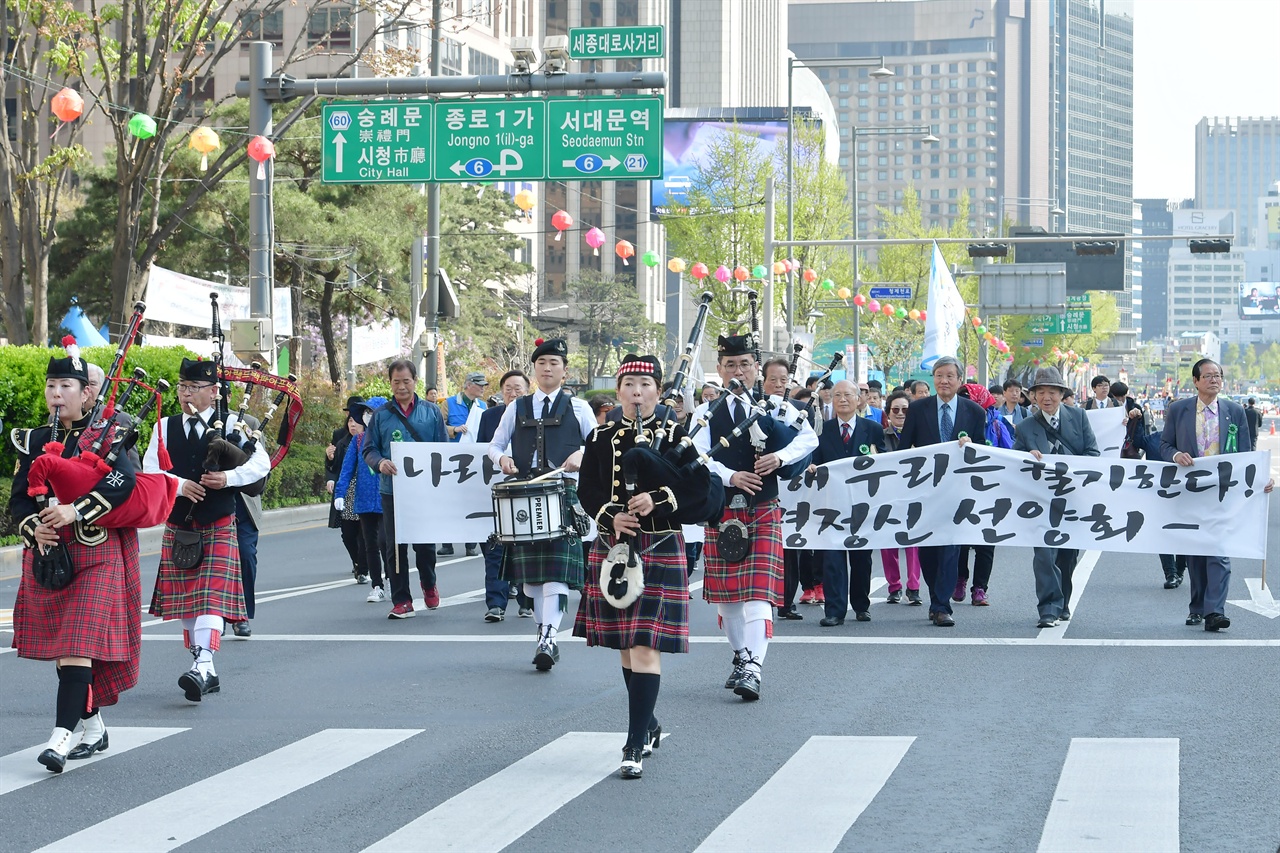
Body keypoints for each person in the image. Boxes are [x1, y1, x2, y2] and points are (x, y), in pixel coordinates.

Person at [10, 345, 145, 771]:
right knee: (65, 650)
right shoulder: (34, 439)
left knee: (76, 645)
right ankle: (94, 726)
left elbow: (124, 482)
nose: (56, 394)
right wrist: (35, 527)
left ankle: (60, 739)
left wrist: (75, 510)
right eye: (51, 385)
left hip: (97, 550)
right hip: (52, 556)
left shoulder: (107, 434)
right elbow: (19, 501)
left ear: (87, 393)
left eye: (65, 386)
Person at [574, 354, 702, 780]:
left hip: (660, 541)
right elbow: (587, 489)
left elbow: (698, 488)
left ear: (659, 392)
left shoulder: (677, 434)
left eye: (645, 385)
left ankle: (633, 745)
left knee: (644, 644)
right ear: (618, 393)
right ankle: (647, 723)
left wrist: (658, 499)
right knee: (628, 647)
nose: (636, 392)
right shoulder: (600, 435)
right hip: (615, 546)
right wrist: (611, 516)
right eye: (629, 385)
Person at [693, 335, 817, 700]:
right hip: (722, 509)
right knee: (729, 601)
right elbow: (698, 456)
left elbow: (807, 439)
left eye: (745, 364)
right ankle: (741, 655)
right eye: (730, 365)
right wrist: (731, 476)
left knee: (759, 595)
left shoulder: (776, 406)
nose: (738, 371)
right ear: (719, 370)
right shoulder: (706, 412)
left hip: (762, 508)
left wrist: (780, 458)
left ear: (756, 371)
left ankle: (754, 668)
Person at [143, 358, 270, 701]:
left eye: (192, 388)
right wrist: (180, 485)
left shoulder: (232, 424)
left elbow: (262, 463)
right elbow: (150, 469)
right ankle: (205, 667)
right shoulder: (164, 427)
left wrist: (228, 478)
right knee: (187, 605)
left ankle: (204, 663)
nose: (185, 394)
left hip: (217, 523)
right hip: (180, 526)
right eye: (182, 387)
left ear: (213, 392)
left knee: (209, 599)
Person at [487, 338, 596, 670]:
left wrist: (582, 453)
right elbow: (494, 446)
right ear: (535, 368)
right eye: (542, 363)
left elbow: (600, 446)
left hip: (563, 493)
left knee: (555, 576)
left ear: (564, 370)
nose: (547, 368)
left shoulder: (579, 408)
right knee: (532, 582)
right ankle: (543, 629)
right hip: (523, 494)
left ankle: (549, 636)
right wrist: (502, 459)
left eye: (554, 363)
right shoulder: (516, 407)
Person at [1161, 359, 1273, 630]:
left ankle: (1215, 611)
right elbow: (1164, 444)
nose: (1214, 380)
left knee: (1219, 550)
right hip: (1190, 491)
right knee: (1196, 552)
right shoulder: (1178, 410)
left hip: (1224, 493)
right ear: (1196, 381)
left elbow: (1246, 454)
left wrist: (1260, 479)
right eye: (1208, 376)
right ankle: (1197, 607)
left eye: (1218, 376)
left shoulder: (1234, 411)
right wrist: (1176, 455)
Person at [897, 356, 986, 627]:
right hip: (925, 491)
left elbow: (982, 452)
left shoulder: (974, 412)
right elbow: (903, 450)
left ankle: (941, 605)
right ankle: (936, 597)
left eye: (949, 376)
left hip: (957, 492)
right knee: (928, 549)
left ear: (960, 380)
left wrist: (971, 446)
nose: (944, 381)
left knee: (950, 546)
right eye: (938, 376)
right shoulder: (918, 409)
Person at [1013, 367, 1100, 628]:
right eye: (1040, 392)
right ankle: (1048, 607)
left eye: (1052, 392)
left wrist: (1071, 468)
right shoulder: (1025, 427)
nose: (1046, 397)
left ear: (1062, 394)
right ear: (1034, 397)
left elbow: (1093, 453)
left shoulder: (1079, 417)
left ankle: (1063, 602)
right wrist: (1027, 456)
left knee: (1067, 556)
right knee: (1044, 555)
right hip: (1040, 501)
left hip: (1072, 499)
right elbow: (1015, 462)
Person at [362, 359, 448, 619]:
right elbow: (369, 449)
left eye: (406, 381)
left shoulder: (431, 412)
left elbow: (442, 448)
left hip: (423, 490)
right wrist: (380, 463)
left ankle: (429, 583)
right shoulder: (381, 415)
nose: (401, 386)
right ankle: (402, 599)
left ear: (415, 382)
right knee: (394, 546)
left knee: (424, 545)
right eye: (396, 382)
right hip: (393, 490)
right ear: (390, 383)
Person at [810, 381, 885, 626]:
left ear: (858, 398)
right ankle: (834, 610)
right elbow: (815, 461)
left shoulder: (872, 429)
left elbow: (885, 463)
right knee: (832, 558)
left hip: (863, 503)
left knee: (862, 558)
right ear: (831, 399)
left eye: (848, 395)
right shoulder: (822, 430)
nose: (843, 399)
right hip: (831, 503)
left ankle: (862, 605)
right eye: (837, 395)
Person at [476, 371, 533, 621]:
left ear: (527, 391)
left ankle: (526, 600)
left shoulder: (534, 414)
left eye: (518, 389)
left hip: (526, 489)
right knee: (495, 548)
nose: (512, 393)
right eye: (508, 388)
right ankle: (496, 604)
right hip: (496, 490)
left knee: (526, 546)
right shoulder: (489, 417)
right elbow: (478, 450)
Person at [952, 383, 1012, 606]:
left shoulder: (996, 424)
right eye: (963, 398)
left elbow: (1010, 453)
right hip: (960, 489)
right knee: (961, 541)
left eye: (971, 398)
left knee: (986, 542)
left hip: (991, 490)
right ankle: (960, 579)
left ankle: (980, 588)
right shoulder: (955, 421)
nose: (967, 402)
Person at [336, 398, 387, 603]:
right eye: (366, 412)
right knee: (370, 544)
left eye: (372, 412)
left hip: (387, 498)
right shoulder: (359, 440)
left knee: (386, 542)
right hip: (364, 499)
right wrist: (340, 493)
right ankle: (377, 585)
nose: (368, 416)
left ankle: (393, 578)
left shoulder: (391, 438)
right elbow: (347, 468)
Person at [879, 390, 922, 605]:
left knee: (914, 542)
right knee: (887, 543)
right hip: (886, 497)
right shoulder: (880, 436)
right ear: (888, 413)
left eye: (905, 409)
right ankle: (894, 586)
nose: (900, 413)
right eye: (895, 409)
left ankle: (914, 587)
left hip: (913, 496)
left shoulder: (920, 436)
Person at [441, 372, 488, 557]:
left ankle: (471, 543)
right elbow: (438, 426)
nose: (483, 388)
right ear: (468, 385)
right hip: (453, 459)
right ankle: (447, 542)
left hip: (474, 459)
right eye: (480, 384)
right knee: (449, 501)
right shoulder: (449, 403)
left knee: (471, 501)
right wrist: (453, 429)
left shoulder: (482, 406)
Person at [327, 397, 366, 584]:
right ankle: (357, 561)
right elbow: (336, 467)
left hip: (366, 492)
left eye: (356, 420)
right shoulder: (342, 441)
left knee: (365, 533)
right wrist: (330, 458)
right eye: (350, 420)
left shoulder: (372, 440)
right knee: (348, 534)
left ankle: (364, 567)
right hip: (347, 491)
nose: (353, 423)